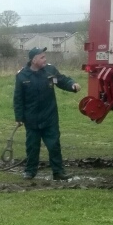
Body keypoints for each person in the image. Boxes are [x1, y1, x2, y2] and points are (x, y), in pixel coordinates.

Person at [13, 46, 80, 181]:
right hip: (31, 119)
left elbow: (62, 80)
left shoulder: (50, 70)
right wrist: (19, 117)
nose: (45, 59)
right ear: (34, 60)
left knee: (54, 145)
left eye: (45, 56)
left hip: (49, 116)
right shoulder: (22, 76)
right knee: (32, 147)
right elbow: (18, 98)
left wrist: (72, 85)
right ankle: (30, 171)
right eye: (42, 57)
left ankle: (58, 172)